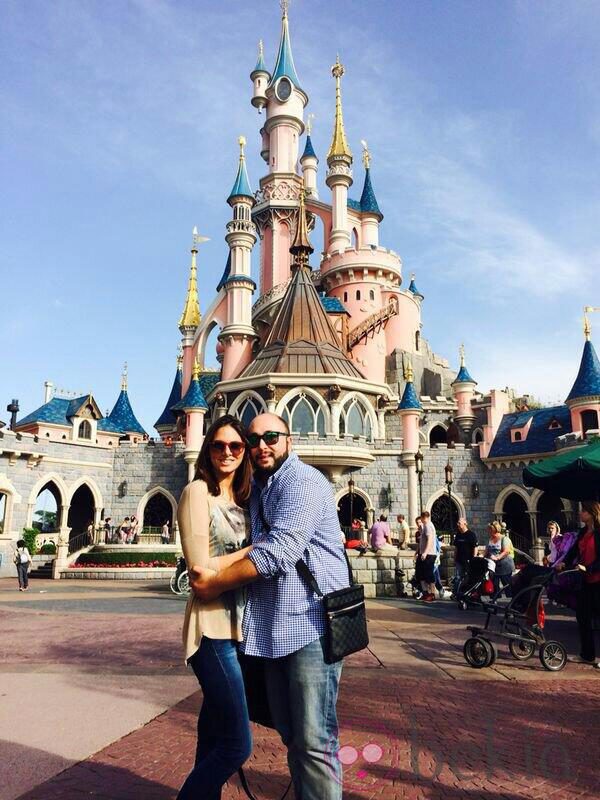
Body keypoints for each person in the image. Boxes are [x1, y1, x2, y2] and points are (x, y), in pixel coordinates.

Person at [190, 412, 351, 800]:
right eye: (254, 438)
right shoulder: (259, 488)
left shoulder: (303, 482)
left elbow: (278, 553)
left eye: (271, 437)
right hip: (273, 633)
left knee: (315, 740)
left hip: (311, 628)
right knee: (295, 737)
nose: (262, 445)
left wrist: (213, 584)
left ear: (289, 440)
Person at [176, 414, 254, 799]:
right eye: (219, 445)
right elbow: (199, 571)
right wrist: (253, 553)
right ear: (207, 449)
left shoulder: (242, 499)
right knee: (237, 745)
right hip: (210, 632)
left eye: (235, 446)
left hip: (240, 632)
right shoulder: (196, 493)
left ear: (245, 453)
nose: (227, 453)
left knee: (212, 740)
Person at [557, 501, 600, 668]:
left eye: (584, 511)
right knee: (583, 616)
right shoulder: (583, 532)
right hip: (586, 580)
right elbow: (573, 551)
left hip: (598, 579)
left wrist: (589, 567)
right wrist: (564, 563)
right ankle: (587, 655)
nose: (581, 514)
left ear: (591, 513)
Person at [484, 521, 515, 598]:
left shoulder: (504, 538)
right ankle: (494, 601)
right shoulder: (490, 539)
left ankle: (512, 602)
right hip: (493, 565)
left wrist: (497, 557)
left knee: (507, 585)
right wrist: (482, 556)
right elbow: (486, 551)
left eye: (490, 529)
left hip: (505, 565)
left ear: (495, 529)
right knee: (494, 584)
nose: (488, 531)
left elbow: (506, 551)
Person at [452, 518, 478, 597]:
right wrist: (454, 558)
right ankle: (456, 593)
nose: (458, 524)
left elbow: (475, 547)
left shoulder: (471, 534)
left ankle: (467, 593)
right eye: (458, 523)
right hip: (459, 560)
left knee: (468, 577)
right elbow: (456, 548)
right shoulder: (458, 534)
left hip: (468, 560)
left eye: (459, 523)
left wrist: (474, 558)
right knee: (458, 577)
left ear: (465, 523)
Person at [417, 511, 437, 602]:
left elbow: (430, 540)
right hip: (423, 553)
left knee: (429, 575)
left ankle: (432, 594)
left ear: (423, 517)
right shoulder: (425, 526)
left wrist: (425, 552)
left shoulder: (428, 526)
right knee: (421, 574)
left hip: (429, 554)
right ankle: (425, 593)